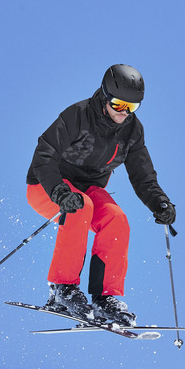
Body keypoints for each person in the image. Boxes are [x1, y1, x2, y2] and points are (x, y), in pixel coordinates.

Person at [26, 64, 175, 326]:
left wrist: (159, 202)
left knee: (116, 219)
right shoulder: (78, 115)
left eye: (131, 107)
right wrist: (60, 192)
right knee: (80, 207)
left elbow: (143, 176)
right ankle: (63, 289)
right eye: (118, 104)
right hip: (47, 185)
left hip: (87, 190)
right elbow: (44, 154)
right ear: (106, 96)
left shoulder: (132, 131)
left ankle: (105, 298)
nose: (123, 113)